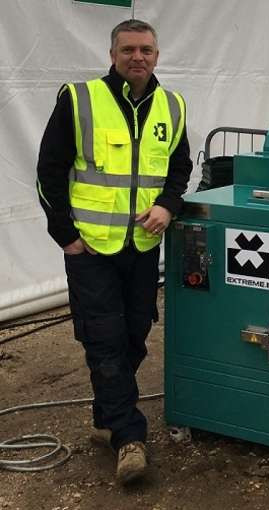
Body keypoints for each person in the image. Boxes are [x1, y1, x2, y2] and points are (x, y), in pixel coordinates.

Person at [36, 19, 191, 485]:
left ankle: (106, 419)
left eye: (145, 49)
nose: (137, 57)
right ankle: (129, 437)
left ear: (157, 56)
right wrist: (66, 235)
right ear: (113, 54)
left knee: (135, 336)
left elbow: (179, 168)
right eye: (128, 50)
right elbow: (49, 171)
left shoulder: (173, 106)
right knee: (104, 339)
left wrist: (167, 205)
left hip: (143, 246)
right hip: (91, 248)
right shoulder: (79, 99)